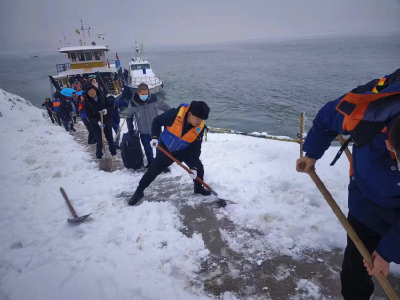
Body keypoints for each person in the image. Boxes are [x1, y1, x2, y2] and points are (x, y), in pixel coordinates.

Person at [296, 69, 400, 300]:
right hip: (368, 204)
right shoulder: (368, 111)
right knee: (355, 277)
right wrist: (311, 154)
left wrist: (389, 251)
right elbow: (326, 117)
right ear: (391, 144)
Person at [128, 101, 212, 206]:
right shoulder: (174, 114)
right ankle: (138, 192)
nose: (199, 122)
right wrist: (155, 137)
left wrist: (194, 167)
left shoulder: (200, 127)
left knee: (199, 168)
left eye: (202, 120)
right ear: (190, 114)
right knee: (153, 170)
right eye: (198, 119)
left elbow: (196, 148)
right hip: (167, 148)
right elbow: (157, 121)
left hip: (184, 150)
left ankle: (198, 188)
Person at [125, 83, 171, 168]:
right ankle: (151, 163)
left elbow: (165, 107)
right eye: (143, 94)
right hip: (144, 131)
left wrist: (172, 115)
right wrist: (130, 128)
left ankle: (161, 164)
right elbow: (128, 116)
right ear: (138, 93)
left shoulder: (154, 99)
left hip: (156, 129)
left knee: (160, 148)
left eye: (146, 94)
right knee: (148, 149)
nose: (145, 96)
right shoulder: (133, 103)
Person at [83, 83, 117, 161]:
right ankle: (99, 156)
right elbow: (89, 116)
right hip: (96, 124)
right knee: (99, 141)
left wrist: (106, 110)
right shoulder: (87, 101)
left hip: (106, 121)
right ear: (88, 94)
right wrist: (97, 122)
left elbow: (110, 106)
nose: (92, 94)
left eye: (93, 92)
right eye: (90, 93)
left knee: (110, 139)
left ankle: (113, 154)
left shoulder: (102, 96)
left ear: (96, 90)